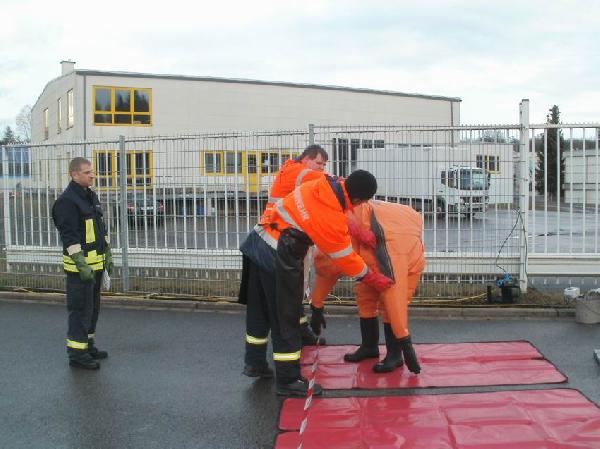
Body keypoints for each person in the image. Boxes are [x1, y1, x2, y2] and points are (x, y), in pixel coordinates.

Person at [239, 170, 394, 396]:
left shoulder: (325, 184)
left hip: (257, 242)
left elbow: (335, 213)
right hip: (278, 254)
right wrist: (371, 277)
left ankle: (254, 363)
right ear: (358, 199)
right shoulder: (330, 217)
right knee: (286, 317)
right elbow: (345, 257)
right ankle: (288, 380)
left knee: (259, 310)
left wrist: (357, 231)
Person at [309, 200, 425, 374]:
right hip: (371, 253)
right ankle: (369, 347)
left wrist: (405, 342)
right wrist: (316, 306)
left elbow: (396, 298)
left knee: (389, 306)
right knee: (365, 297)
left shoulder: (389, 249)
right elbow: (329, 268)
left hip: (403, 259)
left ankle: (395, 355)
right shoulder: (344, 231)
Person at [260, 144, 329, 346]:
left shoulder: (291, 170)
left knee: (294, 288)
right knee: (293, 288)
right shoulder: (301, 172)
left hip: (279, 237)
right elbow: (330, 182)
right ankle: (294, 335)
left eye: (324, 165)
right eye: (319, 163)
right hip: (286, 239)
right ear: (306, 159)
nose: (321, 168)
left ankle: (301, 330)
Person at [52, 157, 114, 370]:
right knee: (80, 310)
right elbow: (69, 237)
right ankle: (77, 354)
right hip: (80, 270)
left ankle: (87, 346)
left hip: (95, 266)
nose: (92, 175)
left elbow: (100, 229)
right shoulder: (67, 202)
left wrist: (107, 254)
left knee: (92, 309)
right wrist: (81, 264)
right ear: (74, 174)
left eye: (92, 171)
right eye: (87, 172)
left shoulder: (90, 196)